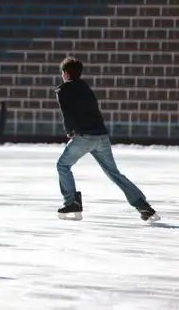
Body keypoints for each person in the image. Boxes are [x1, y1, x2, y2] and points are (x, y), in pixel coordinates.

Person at [54, 56, 159, 222]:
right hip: (101, 136)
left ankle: (72, 202)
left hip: (85, 136)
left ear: (65, 73)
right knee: (114, 173)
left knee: (63, 165)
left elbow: (67, 113)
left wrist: (70, 131)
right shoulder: (86, 87)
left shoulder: (63, 90)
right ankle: (143, 206)